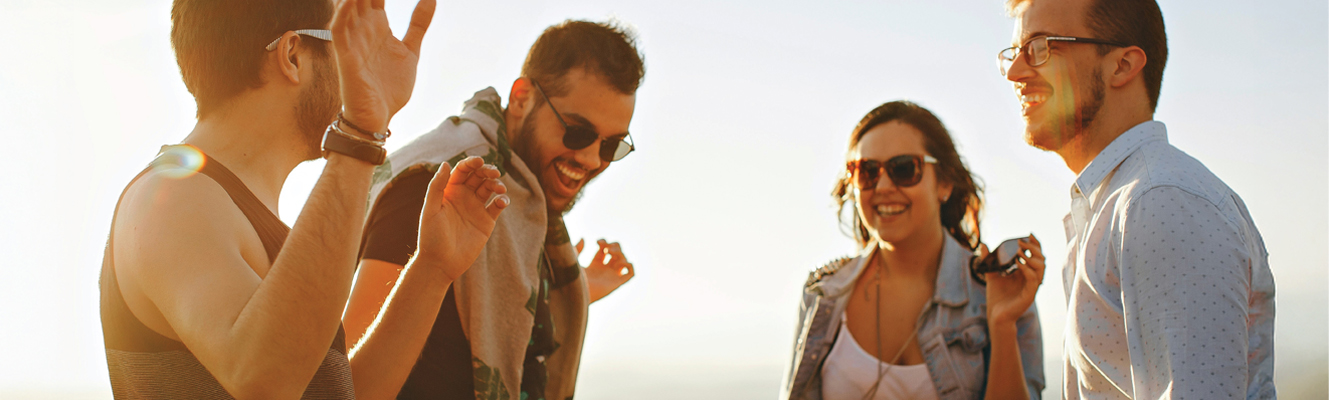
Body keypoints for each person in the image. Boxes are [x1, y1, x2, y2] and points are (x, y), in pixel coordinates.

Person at [98, 0, 511, 398]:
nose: (356, 67)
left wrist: (431, 269)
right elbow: (265, 381)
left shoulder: (237, 213)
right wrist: (362, 131)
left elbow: (337, 394)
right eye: (343, 46)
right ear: (293, 55)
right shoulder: (173, 197)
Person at [342, 20, 643, 400]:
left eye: (611, 146)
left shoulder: (526, 207)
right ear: (521, 99)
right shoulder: (436, 187)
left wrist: (573, 290)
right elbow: (347, 383)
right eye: (577, 132)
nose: (590, 158)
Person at [1000, 0, 1277, 398]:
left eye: (1040, 47)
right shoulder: (1117, 204)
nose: (1015, 72)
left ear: (1122, 65)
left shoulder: (1159, 201)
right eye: (1014, 53)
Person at [783, 101, 1046, 400]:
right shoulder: (823, 293)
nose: (882, 185)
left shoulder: (998, 292)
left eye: (904, 169)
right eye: (866, 171)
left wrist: (1001, 324)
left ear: (944, 183)